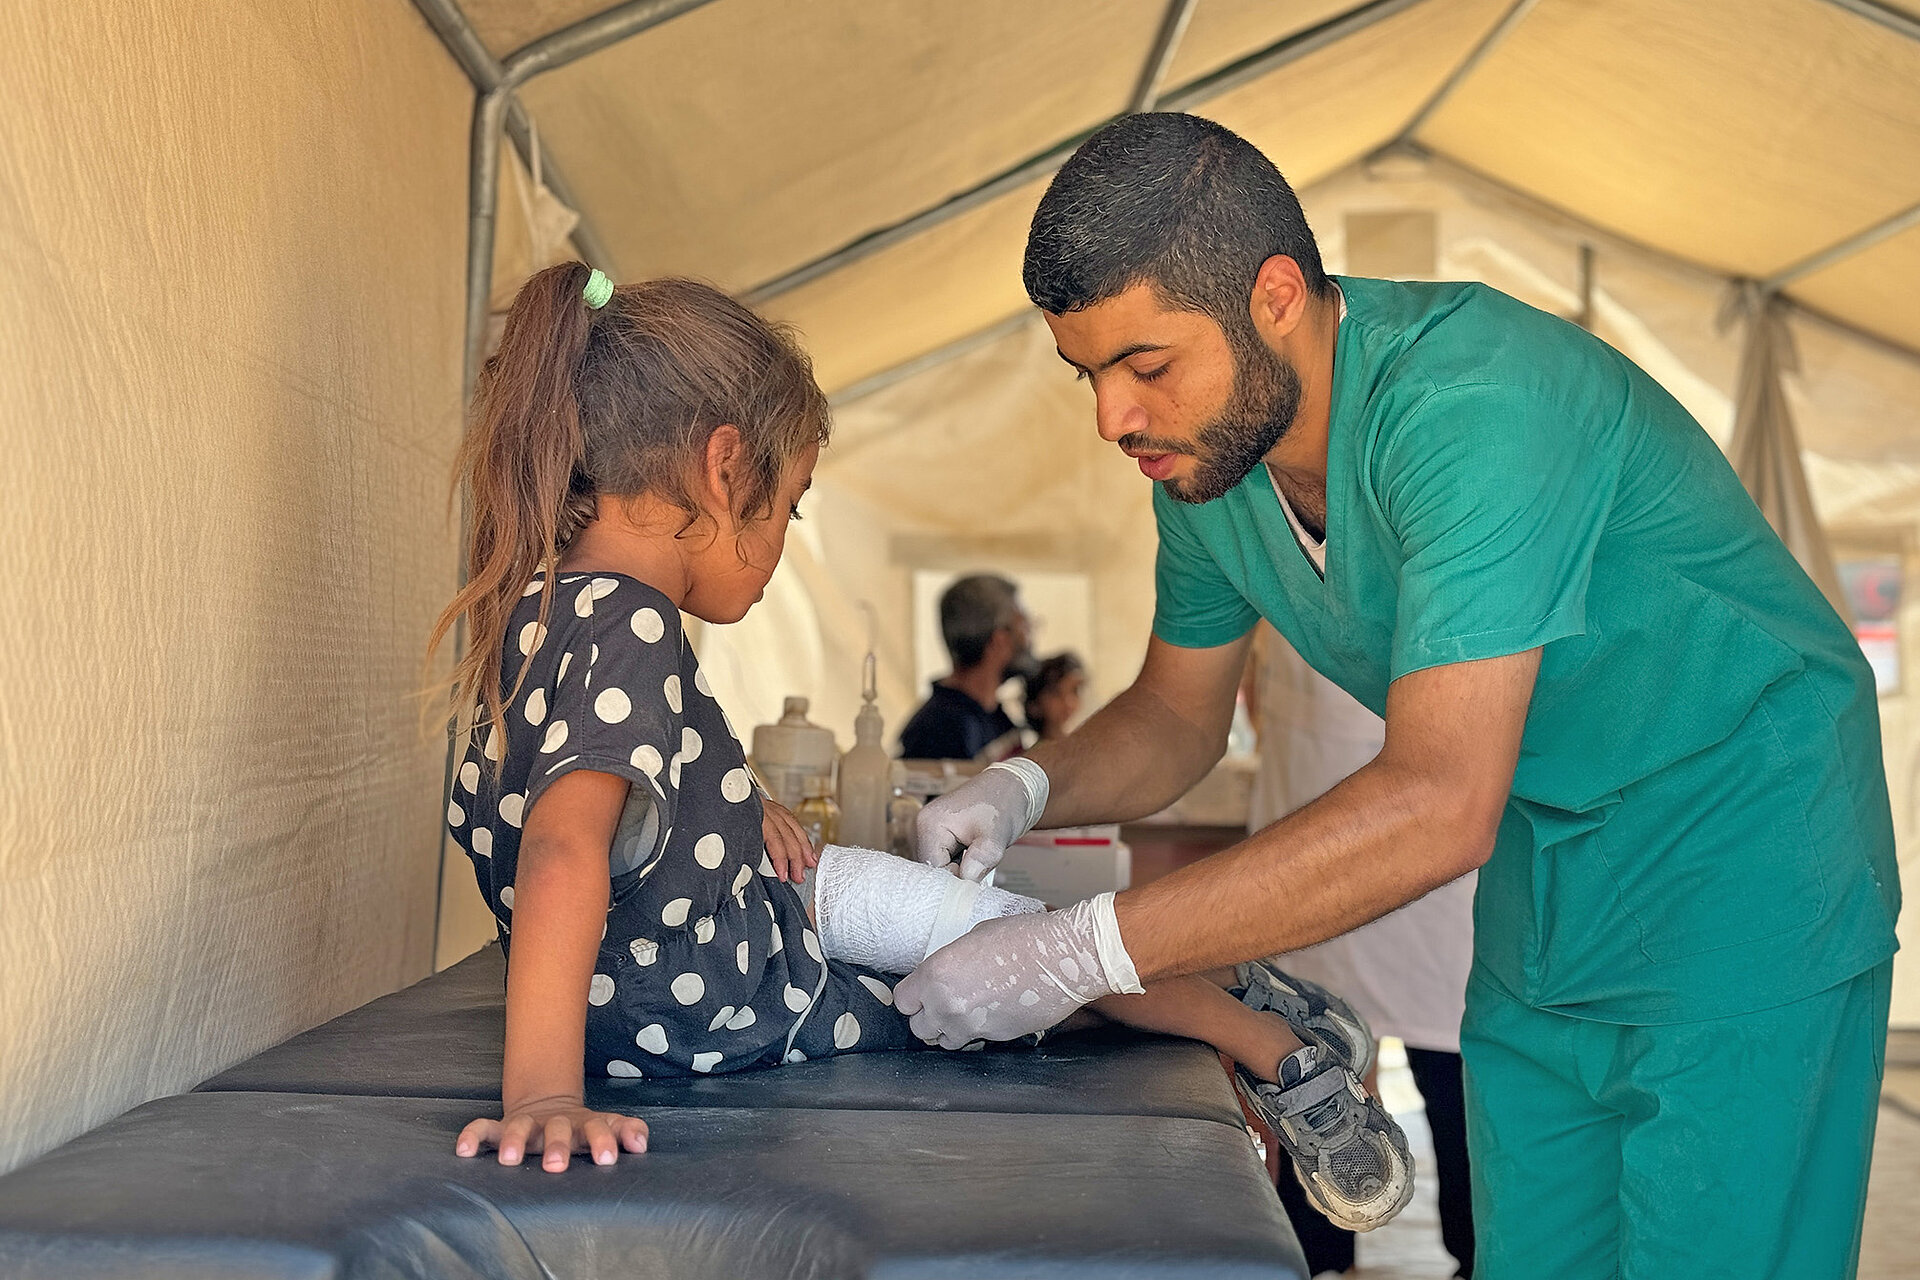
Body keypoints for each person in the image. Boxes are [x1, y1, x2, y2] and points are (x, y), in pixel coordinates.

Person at [896, 113, 1899, 1280]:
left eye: (1145, 365)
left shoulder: (1475, 409)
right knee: (1533, 1250)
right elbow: (1175, 714)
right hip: (1556, 862)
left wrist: (1074, 952)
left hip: (1751, 849)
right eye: (1090, 374)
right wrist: (1021, 783)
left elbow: (1437, 800)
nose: (1113, 417)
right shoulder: (1211, 470)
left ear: (1277, 295)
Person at [422, 262, 1415, 1226]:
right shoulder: (631, 624)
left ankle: (1229, 997)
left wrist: (733, 804)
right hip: (729, 1002)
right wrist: (543, 1094)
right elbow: (563, 844)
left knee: (1000, 928)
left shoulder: (547, 609)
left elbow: (617, 796)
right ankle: (1275, 1047)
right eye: (793, 501)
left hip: (738, 928)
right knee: (1015, 961)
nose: (785, 537)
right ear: (725, 470)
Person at [1247, 624, 1477, 1278]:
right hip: (1308, 836)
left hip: (1431, 845)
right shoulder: (1258, 542)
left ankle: (1478, 1257)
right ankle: (1320, 1261)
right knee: (1304, 1069)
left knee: (1456, 1074)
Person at [896, 574, 1035, 760]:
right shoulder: (939, 731)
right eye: (1024, 627)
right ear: (999, 641)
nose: (1030, 640)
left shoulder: (995, 719)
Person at [1023, 651, 1087, 744]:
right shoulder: (1025, 752)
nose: (1068, 702)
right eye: (1056, 693)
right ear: (1035, 705)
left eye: (1074, 691)